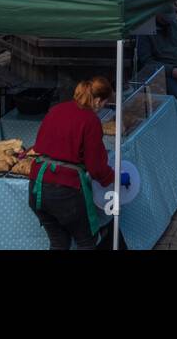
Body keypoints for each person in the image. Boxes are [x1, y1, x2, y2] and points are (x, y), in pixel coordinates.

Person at [29, 76, 118, 250]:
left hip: (37, 186)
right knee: (87, 242)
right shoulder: (90, 120)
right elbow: (96, 167)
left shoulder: (57, 109)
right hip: (65, 191)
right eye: (106, 103)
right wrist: (112, 177)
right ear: (98, 101)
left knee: (59, 243)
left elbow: (39, 145)